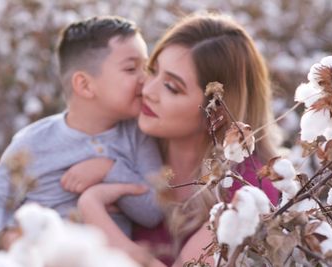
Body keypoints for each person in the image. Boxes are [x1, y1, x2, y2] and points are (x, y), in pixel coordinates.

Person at [75, 12, 281, 266]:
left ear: (216, 112)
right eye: (152, 70)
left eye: (172, 87)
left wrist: (92, 209)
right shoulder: (124, 143)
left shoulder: (248, 189)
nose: (147, 91)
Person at [0, 15, 163, 250]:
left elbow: (153, 211)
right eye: (131, 68)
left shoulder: (139, 135)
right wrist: (9, 239)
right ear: (85, 85)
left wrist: (107, 169)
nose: (145, 78)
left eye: (145, 67)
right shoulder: (32, 142)